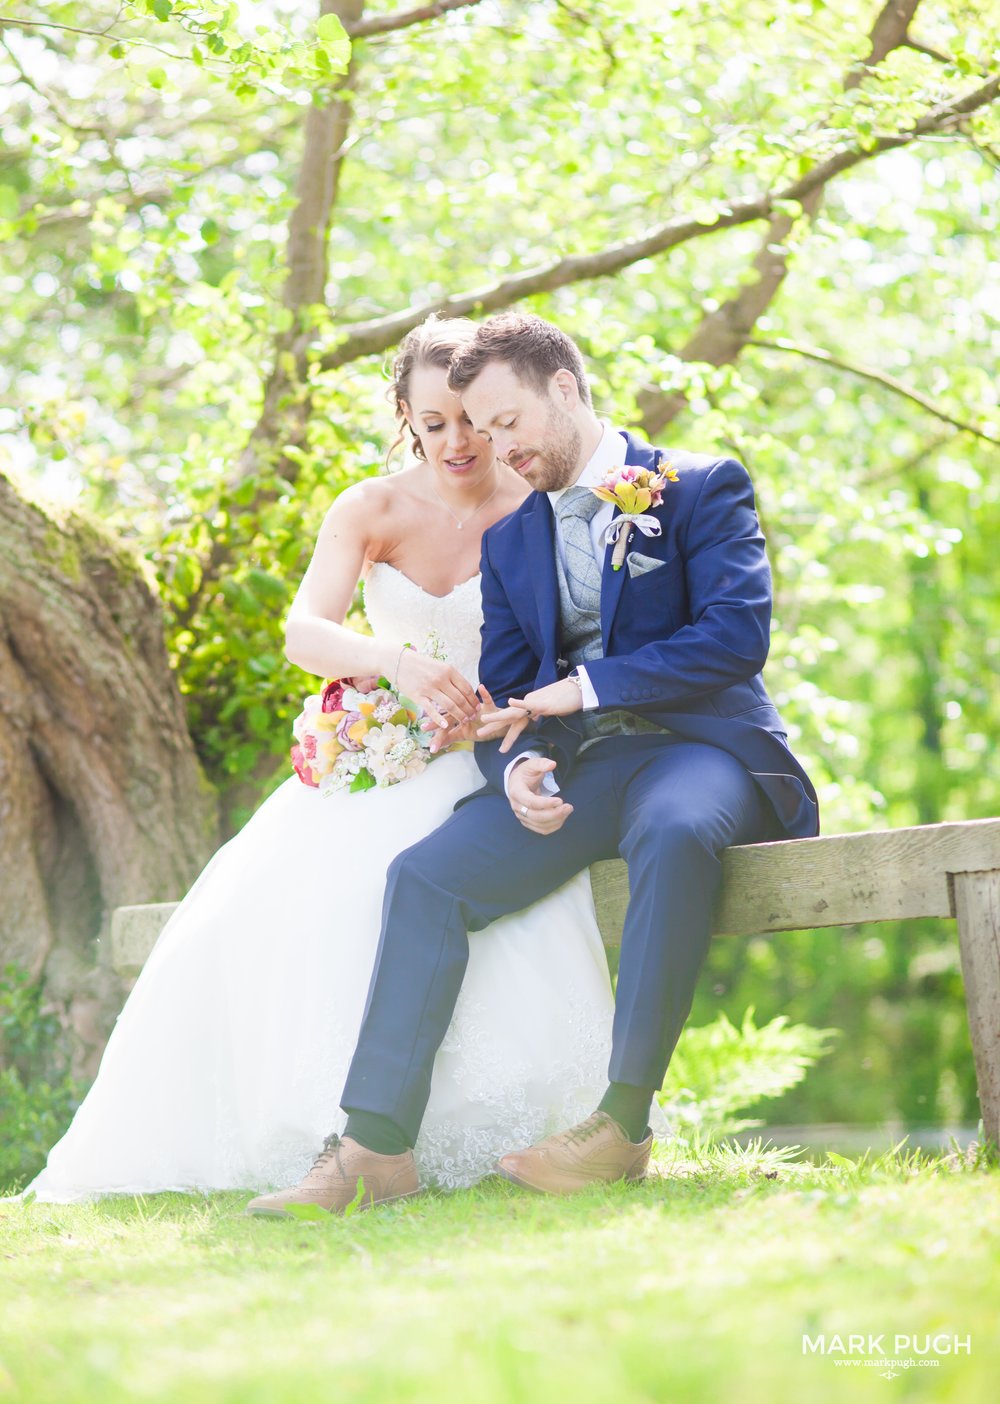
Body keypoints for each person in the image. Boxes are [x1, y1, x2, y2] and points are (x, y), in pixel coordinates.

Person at [21, 316, 620, 1203]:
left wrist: (519, 720)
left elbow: (577, 646)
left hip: (494, 761)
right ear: (406, 419)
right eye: (432, 423)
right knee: (293, 909)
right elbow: (306, 631)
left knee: (466, 897)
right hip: (385, 760)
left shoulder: (534, 505)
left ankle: (482, 1135)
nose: (457, 442)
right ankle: (333, 1136)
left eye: (470, 420)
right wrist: (395, 664)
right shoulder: (371, 507)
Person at [246, 312, 819, 1216]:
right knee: (428, 877)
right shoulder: (515, 537)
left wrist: (587, 690)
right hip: (580, 771)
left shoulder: (700, 485)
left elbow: (735, 638)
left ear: (564, 388)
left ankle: (622, 1127)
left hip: (699, 751)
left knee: (672, 831)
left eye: (505, 423)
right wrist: (518, 768)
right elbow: (514, 680)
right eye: (473, 427)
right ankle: (374, 1151)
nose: (492, 446)